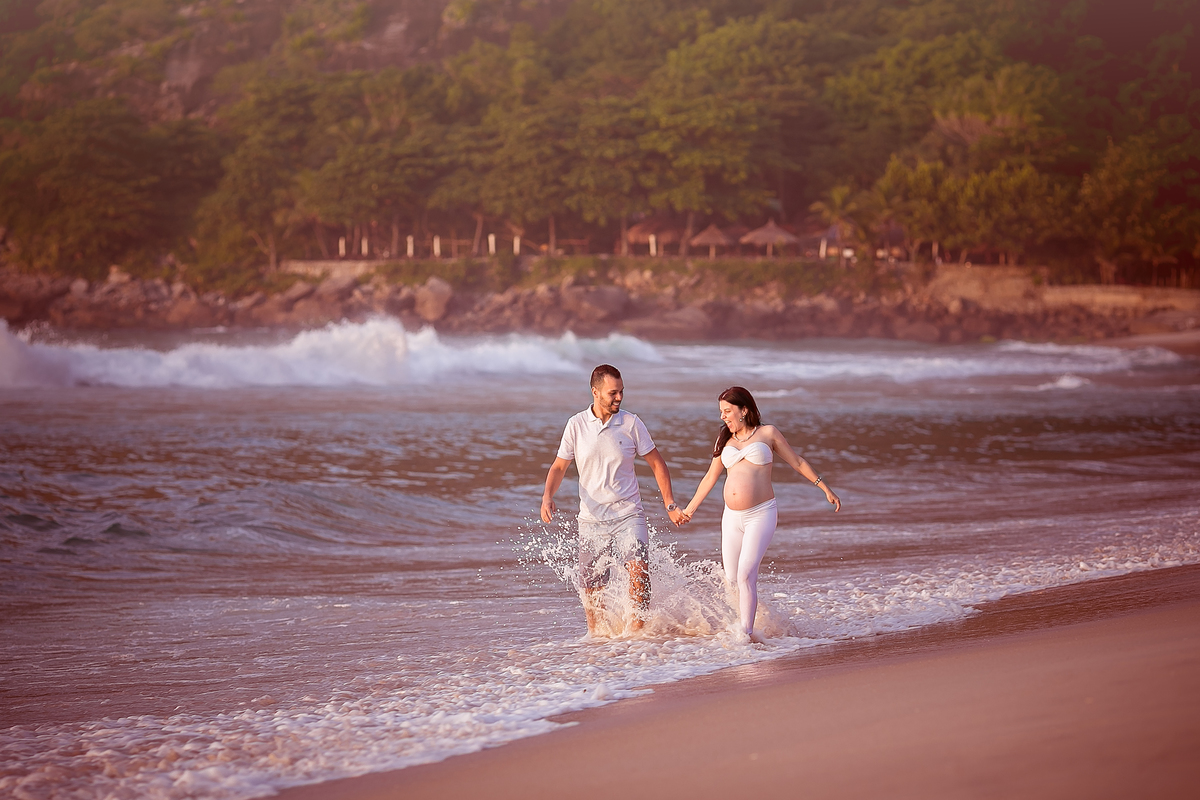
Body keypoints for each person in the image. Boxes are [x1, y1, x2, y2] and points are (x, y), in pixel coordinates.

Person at [681, 386, 841, 642]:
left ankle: (745, 634)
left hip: (761, 514)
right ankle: (757, 621)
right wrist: (689, 510)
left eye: (727, 411)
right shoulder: (724, 439)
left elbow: (797, 462)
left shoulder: (768, 433)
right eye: (720, 412)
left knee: (745, 574)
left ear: (743, 410)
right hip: (731, 518)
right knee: (732, 579)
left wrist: (824, 487)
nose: (722, 417)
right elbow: (710, 477)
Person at [541, 364, 688, 635]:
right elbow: (559, 466)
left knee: (638, 572)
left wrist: (669, 504)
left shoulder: (631, 423)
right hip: (592, 519)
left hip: (629, 513)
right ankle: (597, 638)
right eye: (613, 393)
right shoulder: (576, 425)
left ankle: (637, 634)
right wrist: (547, 496)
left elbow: (657, 463)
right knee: (592, 588)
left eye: (621, 392)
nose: (619, 398)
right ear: (595, 392)